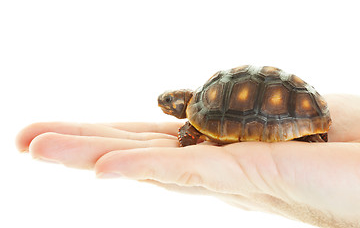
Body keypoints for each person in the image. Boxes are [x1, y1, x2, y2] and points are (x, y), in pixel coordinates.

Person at [16, 94, 360, 228]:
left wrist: (189, 136)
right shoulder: (211, 95)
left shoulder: (197, 117)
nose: (166, 106)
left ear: (183, 106)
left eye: (170, 102)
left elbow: (192, 130)